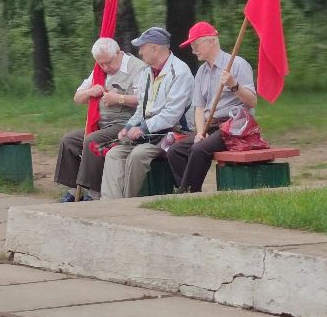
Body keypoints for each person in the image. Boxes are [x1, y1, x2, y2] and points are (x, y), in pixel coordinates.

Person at [164, 21, 261, 193]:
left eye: (196, 44)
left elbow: (252, 101)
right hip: (211, 125)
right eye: (191, 46)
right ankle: (190, 192)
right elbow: (199, 108)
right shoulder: (202, 71)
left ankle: (186, 192)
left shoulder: (237, 64)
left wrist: (233, 84)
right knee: (174, 151)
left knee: (199, 149)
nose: (193, 50)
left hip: (233, 127)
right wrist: (200, 132)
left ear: (212, 41)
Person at [99, 27, 193, 199]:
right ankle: (109, 202)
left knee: (137, 155)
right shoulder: (146, 73)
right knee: (114, 154)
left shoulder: (180, 72)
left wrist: (143, 127)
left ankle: (128, 204)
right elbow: (141, 110)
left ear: (155, 48)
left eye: (142, 47)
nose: (140, 52)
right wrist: (128, 127)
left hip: (174, 134)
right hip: (150, 134)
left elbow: (172, 115)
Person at [55, 38, 144, 201]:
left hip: (126, 124)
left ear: (119, 53)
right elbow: (77, 97)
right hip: (101, 124)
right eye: (101, 64)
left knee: (92, 141)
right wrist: (90, 92)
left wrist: (119, 98)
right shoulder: (99, 70)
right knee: (69, 141)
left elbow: (144, 99)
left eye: (108, 63)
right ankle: (74, 190)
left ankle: (94, 193)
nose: (105, 68)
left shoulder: (137, 68)